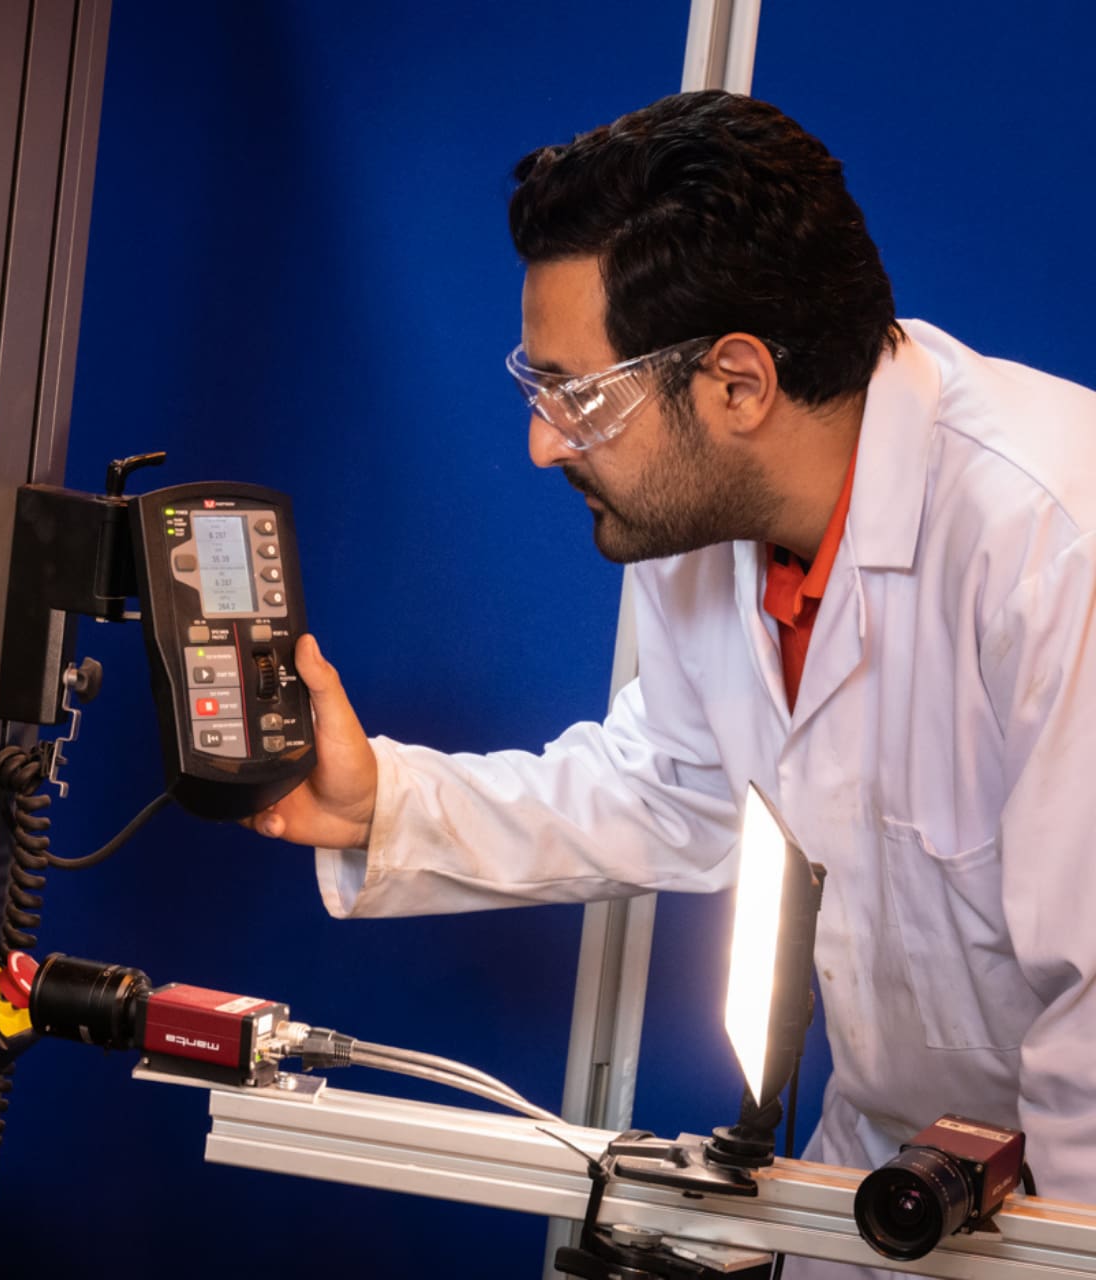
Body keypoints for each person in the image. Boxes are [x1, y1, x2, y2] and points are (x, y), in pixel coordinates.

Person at [248, 90, 1096, 1278]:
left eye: (576, 394)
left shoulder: (1055, 545)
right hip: (891, 1182)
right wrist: (381, 802)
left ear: (739, 384)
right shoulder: (706, 523)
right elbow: (677, 786)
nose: (545, 442)